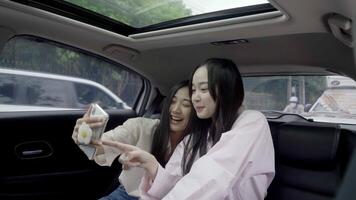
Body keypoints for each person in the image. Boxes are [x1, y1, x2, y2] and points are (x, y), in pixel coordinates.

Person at [102, 58, 275, 200]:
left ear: (226, 89)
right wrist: (152, 164)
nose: (196, 97)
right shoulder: (195, 138)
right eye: (193, 90)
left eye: (204, 89)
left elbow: (212, 179)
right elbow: (175, 185)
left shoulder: (252, 122)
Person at [72, 80, 194, 200]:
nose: (176, 110)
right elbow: (101, 146)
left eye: (186, 104)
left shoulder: (201, 144)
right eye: (172, 102)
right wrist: (85, 138)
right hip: (128, 195)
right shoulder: (140, 126)